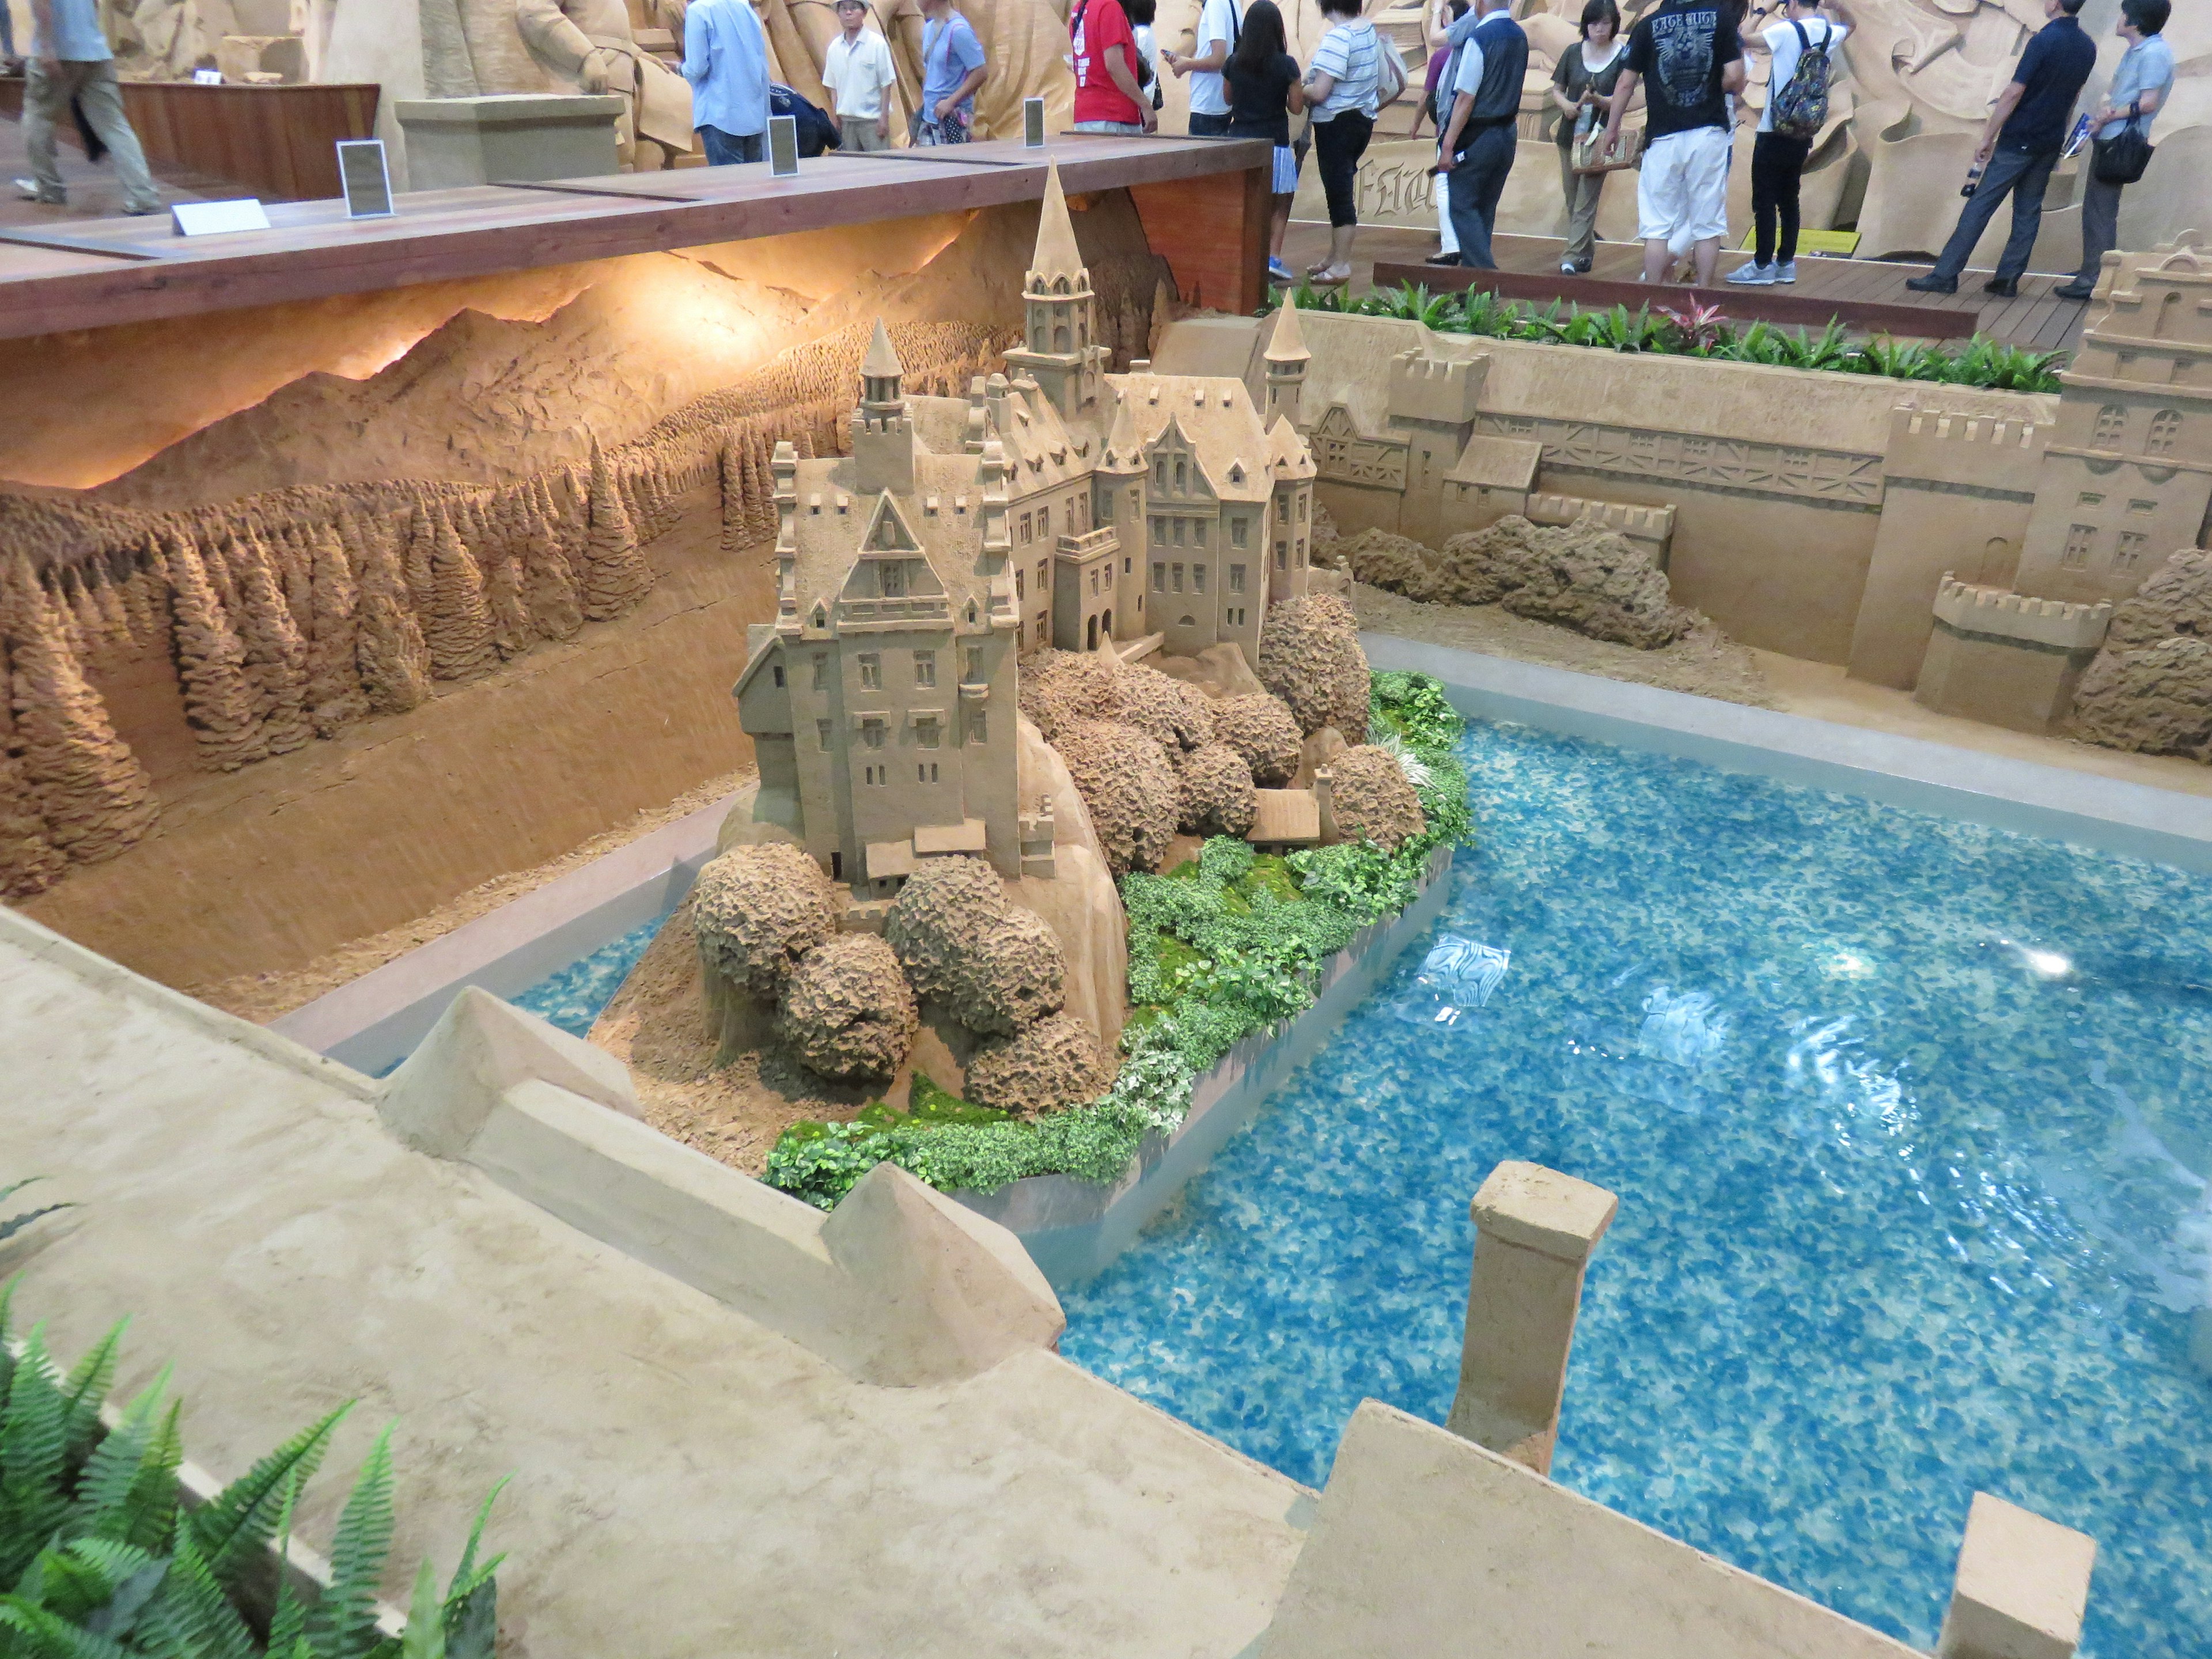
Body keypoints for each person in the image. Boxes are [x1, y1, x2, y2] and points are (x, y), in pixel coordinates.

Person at [1905, 0, 2094, 297]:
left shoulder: (2043, 41)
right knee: (2028, 211)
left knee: (1980, 205)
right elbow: (2073, 97)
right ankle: (2008, 279)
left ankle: (1946, 274)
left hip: (2019, 138)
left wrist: (1987, 136)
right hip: (2049, 140)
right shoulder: (2087, 47)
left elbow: (2013, 92)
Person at [1599, 0, 1744, 286]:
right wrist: (1706, 87)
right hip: (1708, 132)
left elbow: (1626, 84)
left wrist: (1612, 129)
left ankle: (1650, 300)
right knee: (1706, 224)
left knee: (1657, 225)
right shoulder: (1721, 18)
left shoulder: (1647, 26)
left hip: (1663, 136)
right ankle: (1701, 304)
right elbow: (1736, 78)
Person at [2055, 0, 2172, 301]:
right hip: (2109, 136)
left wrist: (2111, 115)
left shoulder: (2154, 53)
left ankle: (2096, 278)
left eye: (2123, 14)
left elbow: (2148, 102)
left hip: (2121, 142)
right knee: (2096, 208)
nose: (2119, 19)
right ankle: (2092, 269)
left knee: (2101, 211)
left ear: (2135, 20)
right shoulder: (2138, 51)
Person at [1727, 0, 1847, 285]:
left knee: (1765, 202)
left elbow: (1739, 38)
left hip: (1774, 128)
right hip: (1803, 130)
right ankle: (1786, 263)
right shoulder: (1830, 33)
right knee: (1789, 200)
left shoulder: (1786, 31)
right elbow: (1851, 25)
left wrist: (1761, 11)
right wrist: (1839, 6)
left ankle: (1761, 265)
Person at [16, 0, 161, 214]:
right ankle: (143, 195)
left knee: (38, 117)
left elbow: (42, 4)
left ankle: (49, 188)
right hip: (97, 53)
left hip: (60, 52)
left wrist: (47, 48)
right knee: (114, 126)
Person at [1435, 0, 1527, 272]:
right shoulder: (1519, 35)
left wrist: (1448, 146)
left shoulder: (1479, 38)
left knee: (1461, 205)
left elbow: (1465, 98)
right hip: (1507, 133)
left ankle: (1487, 278)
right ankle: (1473, 291)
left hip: (1479, 135)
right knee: (1484, 211)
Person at [1224, 0, 1305, 282]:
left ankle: (1241, 255)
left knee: (1245, 201)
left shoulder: (1233, 63)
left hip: (1239, 142)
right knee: (1280, 203)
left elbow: (1228, 99)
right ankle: (1272, 258)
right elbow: (1296, 108)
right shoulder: (1286, 65)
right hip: (1275, 142)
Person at [1302, 0, 1382, 285]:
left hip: (1337, 124)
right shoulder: (1366, 30)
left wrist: (1299, 89)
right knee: (1339, 191)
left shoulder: (1339, 37)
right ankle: (1334, 257)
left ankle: (1341, 266)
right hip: (1361, 121)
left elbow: (1321, 91)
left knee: (1339, 196)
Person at [1549, 0, 1631, 275]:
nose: (1599, 29)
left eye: (1606, 23)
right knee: (1573, 199)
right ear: (1586, 24)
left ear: (1614, 24)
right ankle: (1585, 253)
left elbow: (1625, 97)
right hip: (1568, 135)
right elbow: (1557, 90)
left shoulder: (1623, 56)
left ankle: (1570, 257)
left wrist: (1600, 101)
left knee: (1586, 199)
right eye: (1594, 23)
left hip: (1600, 137)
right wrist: (1567, 106)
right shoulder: (1573, 52)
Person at [683, 0, 771, 163]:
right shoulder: (745, 8)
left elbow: (697, 67)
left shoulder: (698, 10)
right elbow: (761, 62)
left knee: (728, 186)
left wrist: (681, 70)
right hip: (754, 115)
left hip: (720, 115)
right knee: (754, 185)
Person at [1418, 0, 1470, 264]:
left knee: (1445, 185)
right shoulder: (1476, 47)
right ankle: (1465, 244)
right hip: (1472, 129)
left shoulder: (1445, 53)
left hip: (1451, 128)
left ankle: (1451, 245)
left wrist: (1438, 10)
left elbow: (1429, 94)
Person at [1071, 0, 1159, 134]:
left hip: (1085, 114)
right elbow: (1114, 65)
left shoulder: (1079, 9)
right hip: (1114, 116)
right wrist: (1146, 105)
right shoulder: (1109, 6)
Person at [822, 0, 897, 152]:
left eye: (854, 8)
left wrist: (884, 119)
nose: (848, 13)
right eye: (844, 9)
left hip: (872, 121)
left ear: (864, 13)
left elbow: (886, 84)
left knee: (878, 168)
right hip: (847, 122)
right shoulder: (834, 48)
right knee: (853, 170)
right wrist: (835, 117)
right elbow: (833, 87)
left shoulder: (877, 44)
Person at [915, 0, 987, 144]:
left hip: (951, 118)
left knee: (954, 164)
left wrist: (951, 101)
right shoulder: (928, 28)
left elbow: (981, 71)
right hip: (930, 116)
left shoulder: (959, 30)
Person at [1167, 0, 1240, 135]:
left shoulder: (1215, 4)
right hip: (1220, 100)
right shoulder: (1231, 3)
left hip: (1207, 102)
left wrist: (1186, 64)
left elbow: (1218, 60)